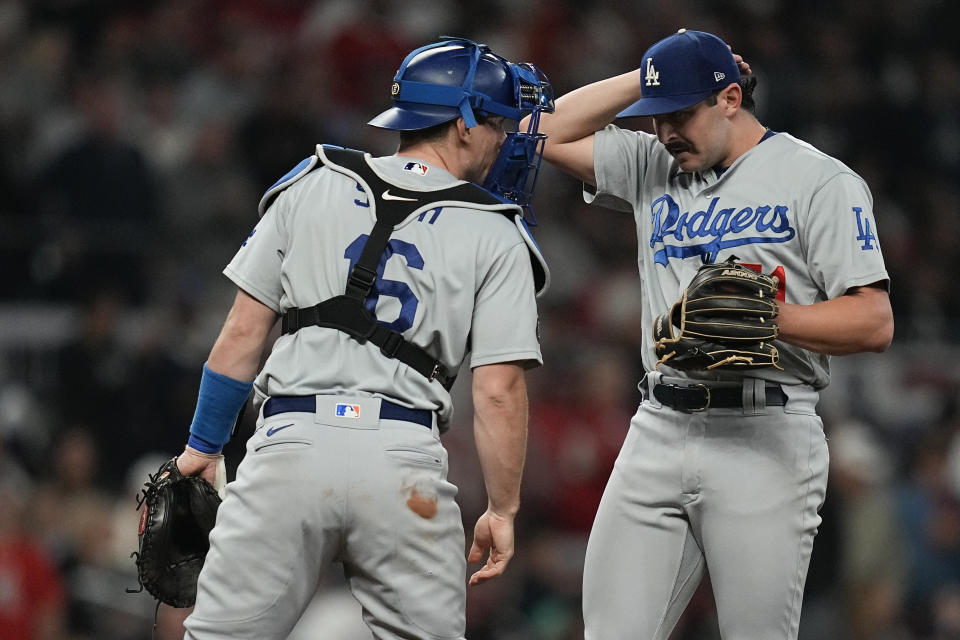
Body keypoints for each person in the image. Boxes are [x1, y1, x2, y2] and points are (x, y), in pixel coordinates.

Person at [171, 37, 555, 639]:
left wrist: (203, 444)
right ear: (464, 121)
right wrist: (502, 509)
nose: (504, 139)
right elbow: (499, 391)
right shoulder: (496, 230)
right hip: (402, 466)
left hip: (288, 449)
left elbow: (244, 329)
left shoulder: (311, 182)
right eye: (498, 123)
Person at [531, 28, 894, 639]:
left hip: (766, 433)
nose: (666, 131)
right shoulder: (653, 163)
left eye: (681, 113)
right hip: (658, 426)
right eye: (656, 116)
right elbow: (536, 131)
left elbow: (874, 320)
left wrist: (772, 319)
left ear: (730, 98)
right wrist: (650, 76)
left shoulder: (818, 180)